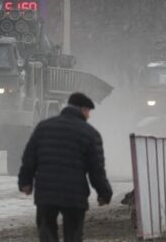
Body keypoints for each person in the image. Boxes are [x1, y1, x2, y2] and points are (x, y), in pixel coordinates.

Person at [18, 92, 112, 242]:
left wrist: (25, 182)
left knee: (47, 231)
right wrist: (104, 193)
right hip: (74, 195)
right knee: (73, 235)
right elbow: (96, 170)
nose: (88, 116)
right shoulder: (90, 134)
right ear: (83, 110)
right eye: (88, 112)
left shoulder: (43, 128)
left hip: (46, 193)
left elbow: (30, 158)